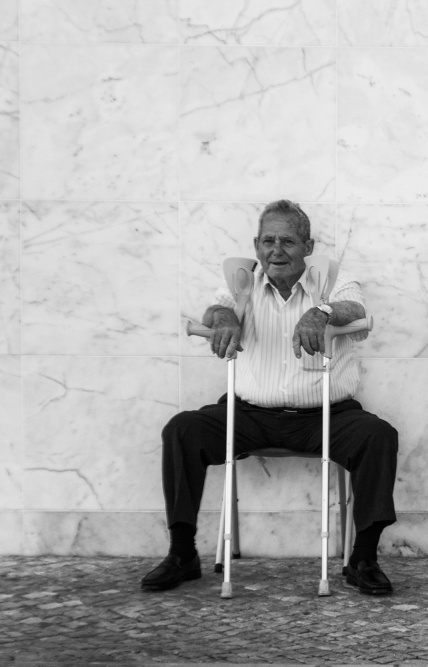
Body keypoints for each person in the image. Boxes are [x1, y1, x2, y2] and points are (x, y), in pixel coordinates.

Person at [141, 200, 398, 596]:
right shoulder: (243, 280)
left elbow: (355, 308)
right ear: (256, 245)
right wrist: (223, 317)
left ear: (308, 247)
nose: (276, 250)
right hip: (250, 414)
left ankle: (363, 558)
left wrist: (321, 312)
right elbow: (216, 309)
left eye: (288, 241)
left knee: (378, 435)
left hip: (325, 415)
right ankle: (181, 553)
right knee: (182, 430)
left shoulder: (331, 278)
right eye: (268, 241)